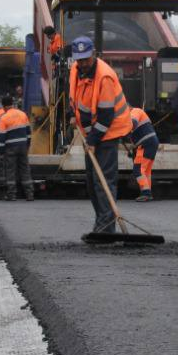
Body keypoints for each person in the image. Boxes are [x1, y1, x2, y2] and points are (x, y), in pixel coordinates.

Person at [69, 36, 131, 234]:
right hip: (92, 132)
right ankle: (100, 223)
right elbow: (73, 95)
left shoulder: (104, 77)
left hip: (110, 130)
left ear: (93, 54)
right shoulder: (75, 70)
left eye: (86, 59)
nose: (83, 63)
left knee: (102, 180)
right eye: (79, 60)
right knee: (91, 181)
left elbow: (106, 116)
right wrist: (72, 114)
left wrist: (93, 141)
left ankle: (106, 229)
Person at [0, 94, 34, 201]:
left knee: (10, 171)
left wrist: (1, 152)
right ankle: (29, 194)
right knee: (25, 170)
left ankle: (12, 195)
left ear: (3, 106)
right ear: (12, 104)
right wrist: (27, 145)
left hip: (10, 148)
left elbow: (2, 137)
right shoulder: (22, 114)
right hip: (23, 146)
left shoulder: (3, 118)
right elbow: (29, 132)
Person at [128, 105, 158, 202]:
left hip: (146, 143)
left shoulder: (135, 111)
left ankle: (146, 193)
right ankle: (147, 192)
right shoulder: (135, 112)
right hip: (148, 143)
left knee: (138, 170)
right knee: (145, 171)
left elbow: (133, 123)